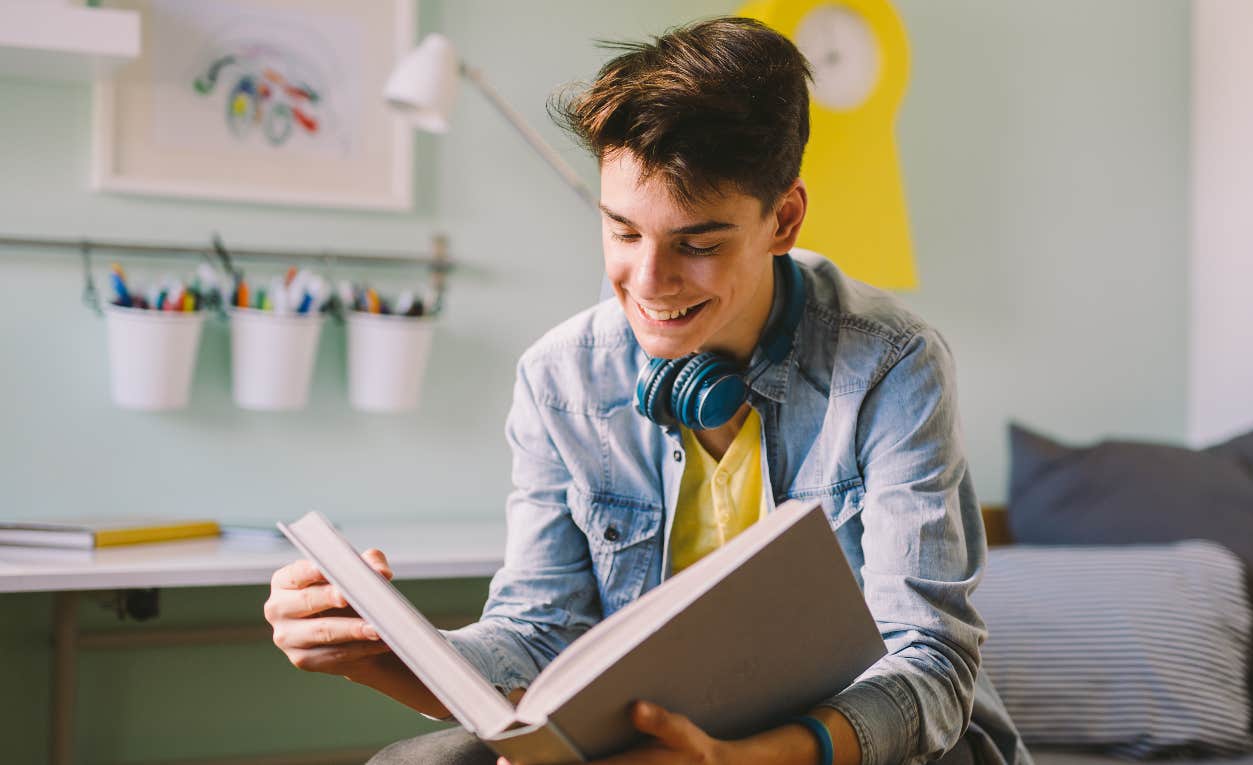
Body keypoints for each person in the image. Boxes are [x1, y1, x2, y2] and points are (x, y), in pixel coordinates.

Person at [264, 16, 1031, 765]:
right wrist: (380, 647)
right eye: (624, 233)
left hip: (854, 743)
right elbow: (536, 635)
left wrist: (737, 758)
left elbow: (928, 665)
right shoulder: (561, 379)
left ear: (784, 219)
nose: (649, 283)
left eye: (697, 244)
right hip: (657, 734)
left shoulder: (893, 365)